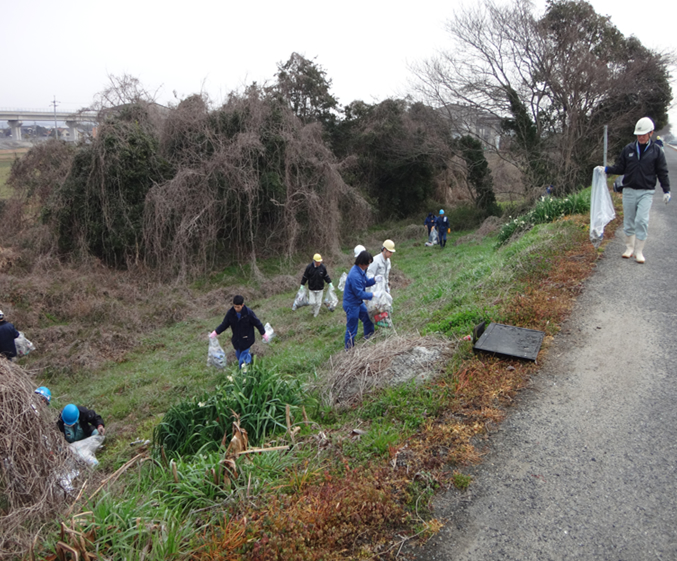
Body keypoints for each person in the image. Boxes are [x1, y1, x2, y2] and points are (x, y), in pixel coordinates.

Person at [603, 117, 670, 264]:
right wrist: (606, 169)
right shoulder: (628, 149)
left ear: (651, 133)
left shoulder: (657, 151)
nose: (640, 137)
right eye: (638, 135)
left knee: (642, 220)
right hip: (629, 190)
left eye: (644, 134)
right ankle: (629, 248)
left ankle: (639, 251)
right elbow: (620, 167)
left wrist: (667, 191)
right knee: (629, 220)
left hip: (646, 191)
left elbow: (662, 172)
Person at [210, 295, 269, 369]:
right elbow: (224, 324)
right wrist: (216, 332)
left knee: (242, 361)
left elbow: (257, 323)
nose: (236, 309)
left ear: (242, 305)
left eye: (238, 307)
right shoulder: (230, 313)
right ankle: (250, 358)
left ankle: (243, 375)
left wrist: (263, 333)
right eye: (235, 306)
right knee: (238, 355)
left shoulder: (248, 313)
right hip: (237, 340)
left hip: (247, 339)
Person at [343, 251, 384, 349]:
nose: (368, 265)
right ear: (362, 262)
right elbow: (359, 293)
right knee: (352, 329)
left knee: (368, 318)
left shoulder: (361, 271)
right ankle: (349, 350)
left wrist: (374, 280)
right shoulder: (355, 275)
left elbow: (366, 282)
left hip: (358, 302)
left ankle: (369, 339)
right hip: (351, 304)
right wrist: (373, 294)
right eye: (368, 263)